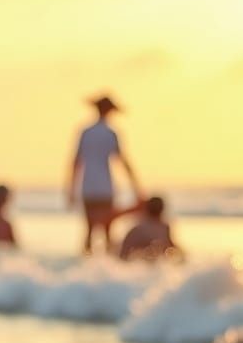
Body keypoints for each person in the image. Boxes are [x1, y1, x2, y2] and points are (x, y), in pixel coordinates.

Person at [67, 95, 141, 255]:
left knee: (89, 229)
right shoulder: (110, 133)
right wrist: (136, 187)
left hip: (88, 187)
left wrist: (71, 189)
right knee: (108, 230)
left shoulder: (85, 132)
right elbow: (122, 161)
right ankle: (108, 266)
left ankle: (86, 264)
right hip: (105, 187)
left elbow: (76, 163)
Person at [119, 196, 180, 261]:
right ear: (162, 210)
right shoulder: (164, 228)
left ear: (146, 209)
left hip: (137, 264)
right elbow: (173, 249)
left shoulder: (136, 229)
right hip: (156, 265)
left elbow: (123, 254)